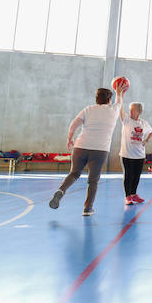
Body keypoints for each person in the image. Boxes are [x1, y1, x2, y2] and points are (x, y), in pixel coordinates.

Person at [49, 85, 126, 215]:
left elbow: (73, 125)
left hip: (80, 146)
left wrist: (70, 138)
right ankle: (87, 208)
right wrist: (119, 92)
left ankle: (61, 190)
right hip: (99, 150)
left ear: (96, 99)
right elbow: (119, 102)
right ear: (109, 100)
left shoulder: (88, 109)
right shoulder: (113, 110)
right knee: (93, 180)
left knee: (74, 173)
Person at [119, 101, 152, 205]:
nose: (130, 112)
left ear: (139, 111)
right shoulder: (126, 120)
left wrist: (146, 141)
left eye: (132, 110)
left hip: (140, 155)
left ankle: (134, 194)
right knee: (128, 176)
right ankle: (127, 196)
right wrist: (120, 94)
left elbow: (151, 131)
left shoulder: (144, 123)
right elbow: (120, 109)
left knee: (136, 176)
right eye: (129, 110)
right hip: (127, 154)